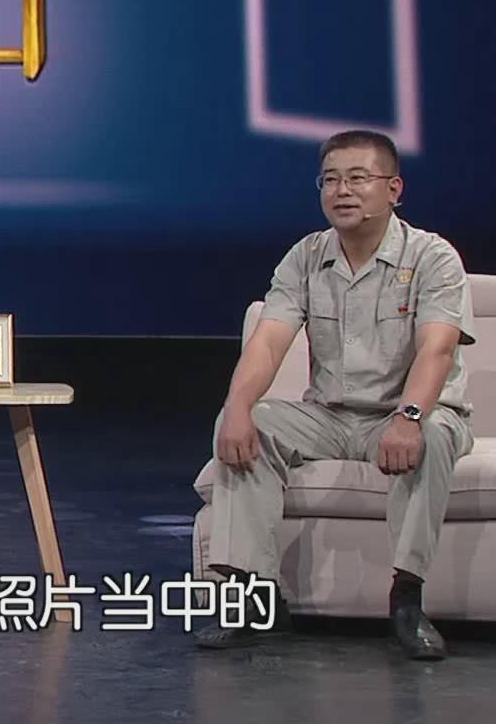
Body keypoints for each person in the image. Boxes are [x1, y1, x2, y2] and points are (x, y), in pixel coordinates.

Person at [196, 129, 475, 660]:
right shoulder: (306, 256)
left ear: (394, 189)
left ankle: (407, 599)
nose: (342, 191)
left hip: (406, 413)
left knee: (433, 434)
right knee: (251, 421)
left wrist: (409, 416)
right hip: (330, 416)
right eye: (330, 180)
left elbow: (437, 349)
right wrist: (236, 408)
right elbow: (268, 342)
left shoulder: (431, 256)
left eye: (358, 178)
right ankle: (256, 598)